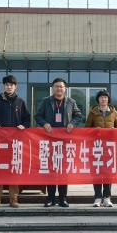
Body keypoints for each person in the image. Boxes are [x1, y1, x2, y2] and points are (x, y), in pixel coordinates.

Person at [34, 77, 83, 207]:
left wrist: (72, 123)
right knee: (50, 169)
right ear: (53, 88)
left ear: (65, 88)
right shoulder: (46, 101)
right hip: (49, 140)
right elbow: (38, 115)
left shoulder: (71, 102)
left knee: (63, 170)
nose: (59, 88)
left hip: (65, 141)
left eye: (61, 86)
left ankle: (63, 199)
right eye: (56, 86)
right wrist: (44, 124)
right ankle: (50, 199)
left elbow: (78, 115)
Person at [0, 75, 31, 208]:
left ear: (15, 87)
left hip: (15, 142)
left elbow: (27, 119)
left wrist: (24, 125)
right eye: (7, 85)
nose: (9, 87)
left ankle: (13, 198)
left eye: (11, 85)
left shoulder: (20, 102)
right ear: (4, 86)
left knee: (13, 169)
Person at [85, 90, 117, 207]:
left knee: (108, 173)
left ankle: (107, 198)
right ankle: (97, 197)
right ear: (98, 99)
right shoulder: (93, 113)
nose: (103, 99)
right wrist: (94, 131)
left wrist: (115, 131)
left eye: (105, 97)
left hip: (109, 148)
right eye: (101, 97)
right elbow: (86, 129)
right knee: (96, 172)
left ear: (108, 99)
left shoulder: (114, 113)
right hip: (97, 147)